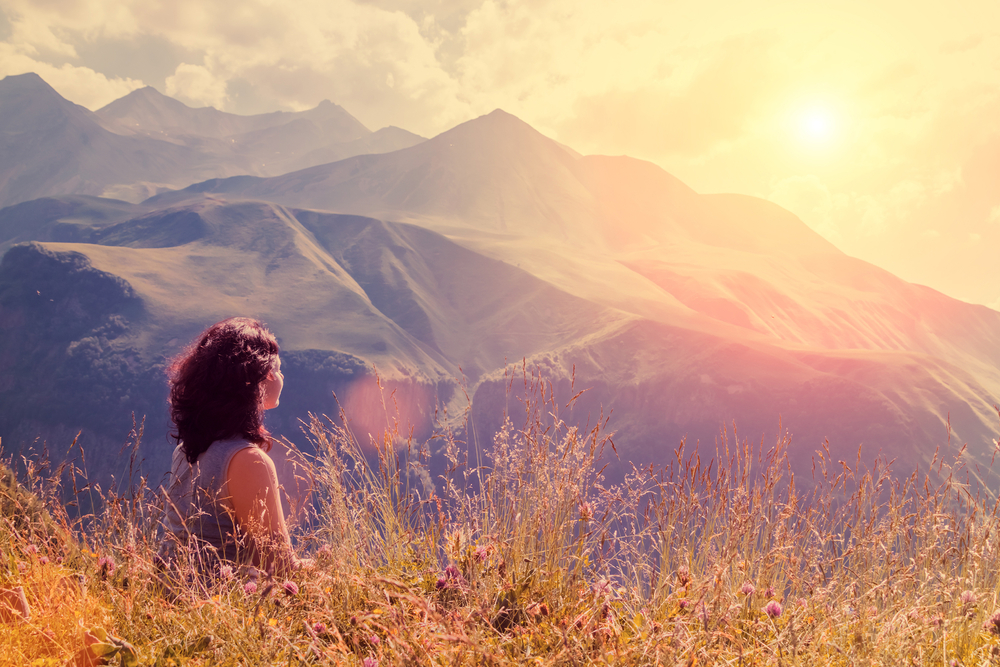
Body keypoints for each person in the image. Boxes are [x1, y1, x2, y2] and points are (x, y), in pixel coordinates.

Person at [158, 317, 307, 581]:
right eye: (279, 370)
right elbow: (279, 566)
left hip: (167, 601)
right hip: (214, 609)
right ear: (263, 376)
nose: (282, 377)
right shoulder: (247, 461)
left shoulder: (186, 449)